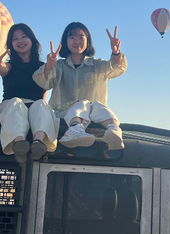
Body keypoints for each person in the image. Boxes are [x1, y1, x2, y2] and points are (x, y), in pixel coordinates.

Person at [32, 22, 126, 150]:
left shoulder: (97, 65)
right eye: (72, 37)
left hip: (94, 120)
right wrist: (48, 67)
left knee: (97, 105)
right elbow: (43, 82)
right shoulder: (59, 66)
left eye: (81, 37)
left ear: (88, 40)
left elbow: (116, 68)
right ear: (65, 41)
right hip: (64, 119)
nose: (77, 41)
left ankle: (113, 128)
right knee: (82, 103)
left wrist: (116, 52)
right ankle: (76, 128)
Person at [0, 23, 57, 163]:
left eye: (24, 36)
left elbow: (43, 88)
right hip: (10, 108)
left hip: (32, 109)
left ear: (32, 40)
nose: (20, 41)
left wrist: (48, 68)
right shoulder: (10, 66)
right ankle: (20, 144)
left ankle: (38, 143)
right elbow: (3, 67)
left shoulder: (42, 67)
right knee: (16, 102)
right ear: (10, 45)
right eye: (15, 38)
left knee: (41, 104)